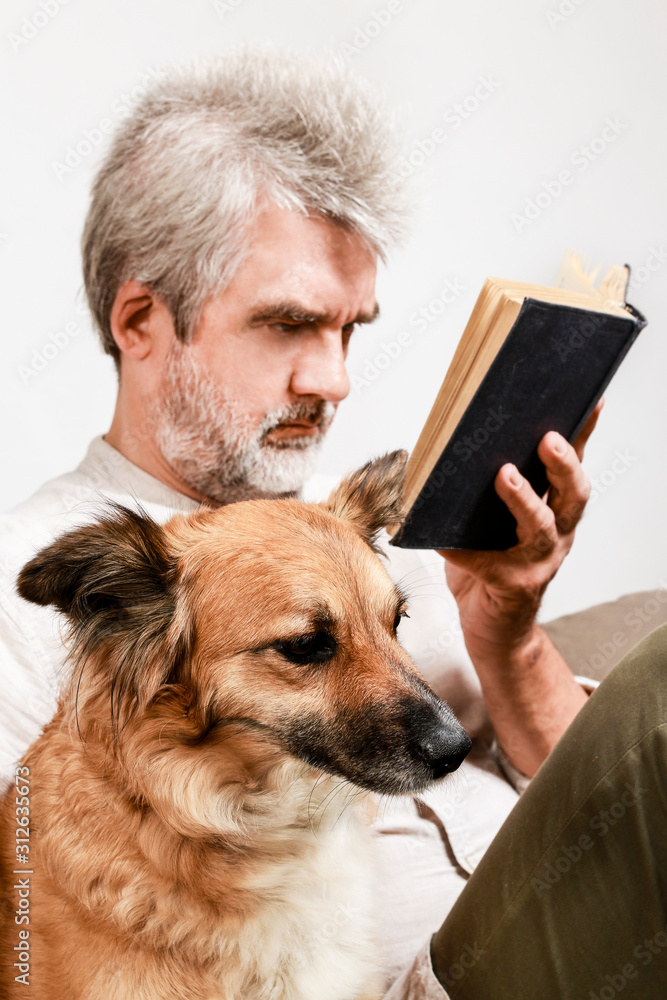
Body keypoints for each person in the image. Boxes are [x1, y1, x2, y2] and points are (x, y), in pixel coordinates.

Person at [2, 47, 664, 997]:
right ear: (141, 319)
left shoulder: (366, 541)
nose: (335, 379)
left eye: (349, 330)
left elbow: (617, 810)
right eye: (287, 325)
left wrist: (504, 632)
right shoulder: (49, 592)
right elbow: (34, 919)